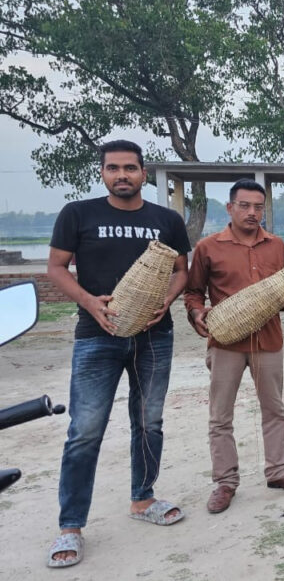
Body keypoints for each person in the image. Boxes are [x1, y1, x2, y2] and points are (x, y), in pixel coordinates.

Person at [45, 140, 191, 568]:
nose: (122, 175)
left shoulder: (166, 219)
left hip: (154, 336)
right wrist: (90, 302)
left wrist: (167, 300)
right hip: (97, 335)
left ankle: (143, 499)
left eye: (130, 168)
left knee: (149, 422)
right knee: (85, 430)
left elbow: (181, 271)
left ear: (143, 173)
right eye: (113, 168)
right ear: (103, 173)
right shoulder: (78, 214)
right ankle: (70, 525)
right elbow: (56, 267)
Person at [184, 179, 284, 515]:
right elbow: (193, 292)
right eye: (244, 205)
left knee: (275, 409)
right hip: (225, 342)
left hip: (268, 340)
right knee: (220, 415)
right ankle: (225, 482)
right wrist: (196, 313)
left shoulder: (276, 245)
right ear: (230, 208)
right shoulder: (208, 247)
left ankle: (278, 471)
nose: (252, 212)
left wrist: (279, 298)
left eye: (258, 207)